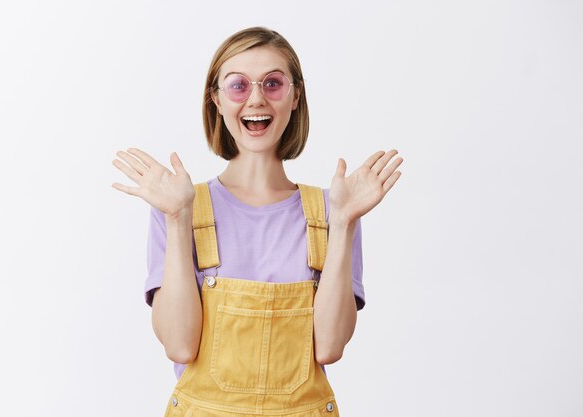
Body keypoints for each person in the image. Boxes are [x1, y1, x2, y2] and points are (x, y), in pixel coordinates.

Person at [112, 26, 403, 417]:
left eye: (273, 83)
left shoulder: (333, 210)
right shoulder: (180, 205)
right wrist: (179, 219)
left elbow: (330, 347)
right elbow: (180, 346)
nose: (255, 98)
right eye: (237, 85)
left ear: (296, 96)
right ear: (215, 99)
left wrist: (345, 219)